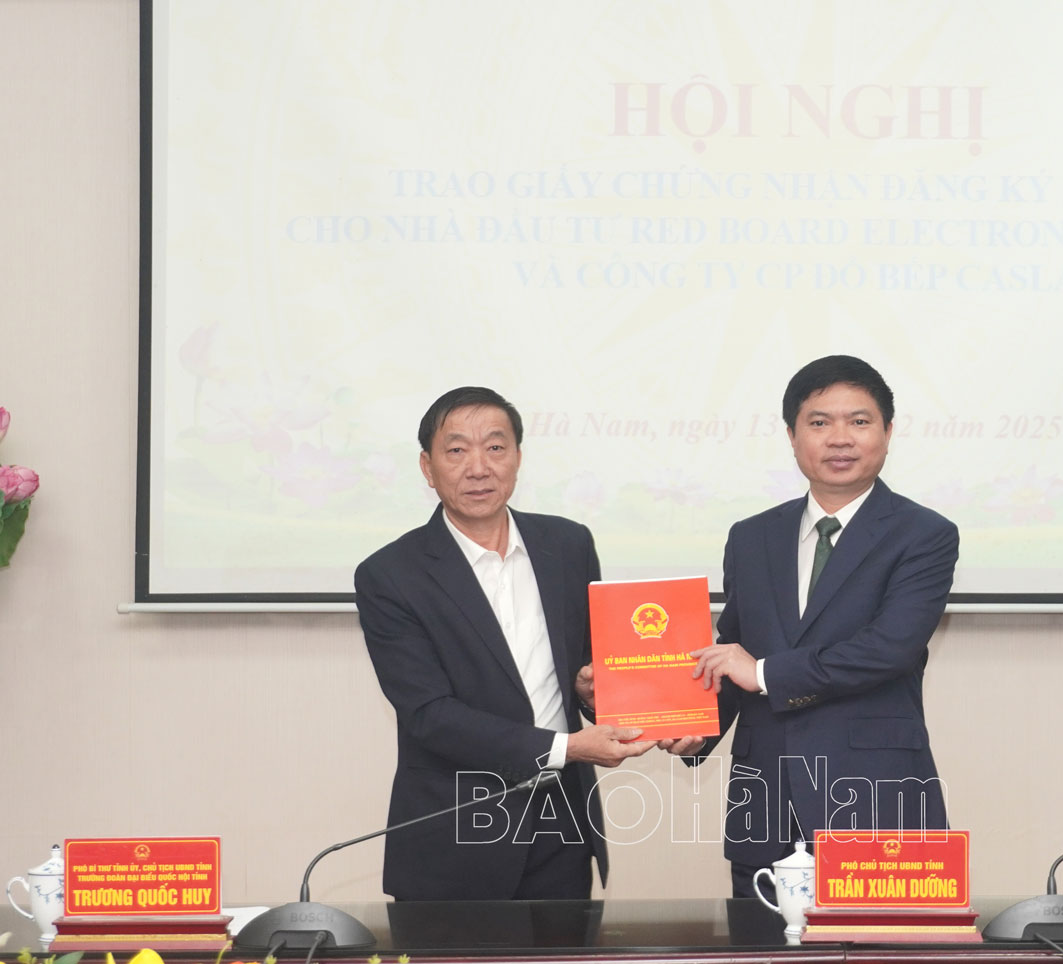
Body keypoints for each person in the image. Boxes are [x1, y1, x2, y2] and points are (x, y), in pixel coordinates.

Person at [665, 355, 959, 898]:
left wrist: (764, 673)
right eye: (820, 422)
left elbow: (888, 649)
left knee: (884, 945)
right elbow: (734, 653)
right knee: (760, 943)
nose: (840, 438)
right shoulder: (751, 537)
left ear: (888, 432)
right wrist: (692, 727)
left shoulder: (924, 534)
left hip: (875, 800)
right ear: (792, 436)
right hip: (765, 803)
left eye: (859, 421)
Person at [356, 386, 654, 900]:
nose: (479, 468)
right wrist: (566, 747)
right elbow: (429, 714)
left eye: (495, 447)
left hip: (562, 825)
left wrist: (590, 689)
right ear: (427, 467)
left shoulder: (568, 545)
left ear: (517, 457)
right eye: (456, 450)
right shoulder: (391, 574)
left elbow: (587, 665)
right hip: (457, 834)